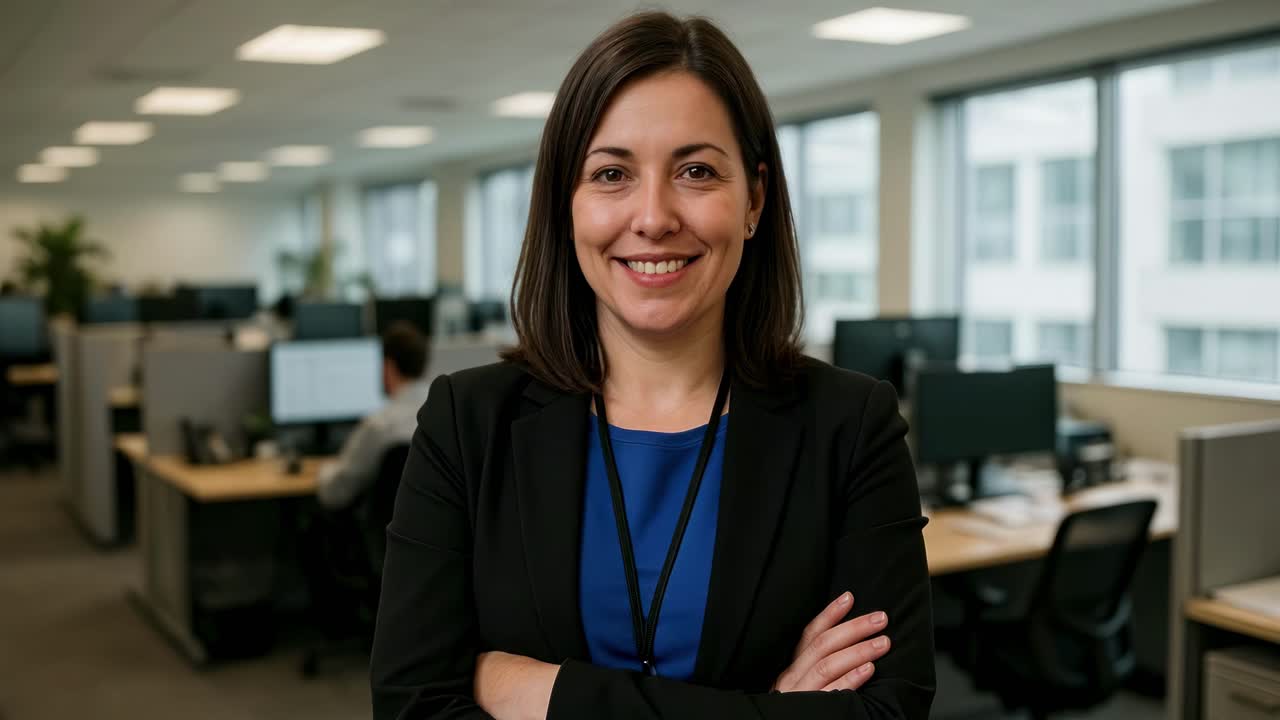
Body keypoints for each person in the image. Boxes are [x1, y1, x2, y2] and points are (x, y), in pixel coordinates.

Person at [371, 11, 934, 719]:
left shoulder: (851, 429)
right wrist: (767, 706)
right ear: (565, 205)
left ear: (754, 200)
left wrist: (543, 692)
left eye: (696, 171)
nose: (654, 215)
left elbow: (888, 713)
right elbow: (410, 708)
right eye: (611, 174)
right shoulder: (467, 424)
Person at [315, 321, 432, 509]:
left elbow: (335, 493)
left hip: (387, 533)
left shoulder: (379, 426)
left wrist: (323, 471)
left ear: (388, 366)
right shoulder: (448, 416)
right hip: (439, 532)